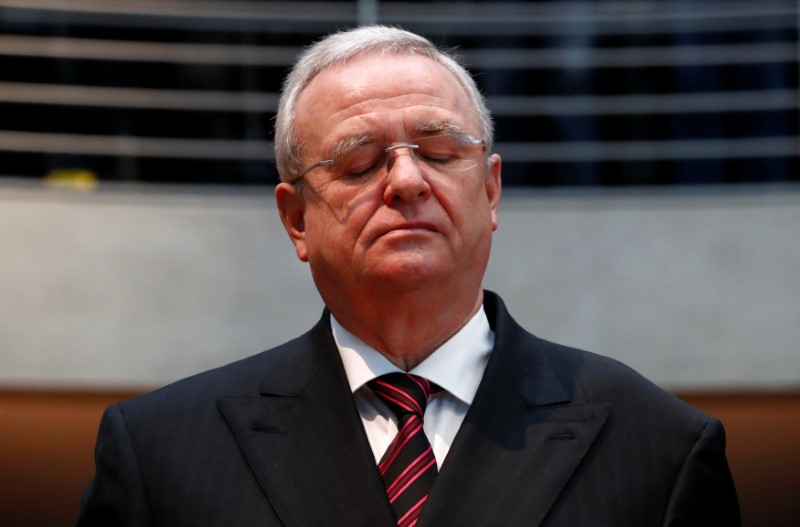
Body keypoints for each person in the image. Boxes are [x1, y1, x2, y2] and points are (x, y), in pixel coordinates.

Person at [77, 25, 739, 526]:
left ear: (491, 189)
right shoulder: (162, 453)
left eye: (441, 151)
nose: (406, 181)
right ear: (297, 219)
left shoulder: (658, 446)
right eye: (360, 161)